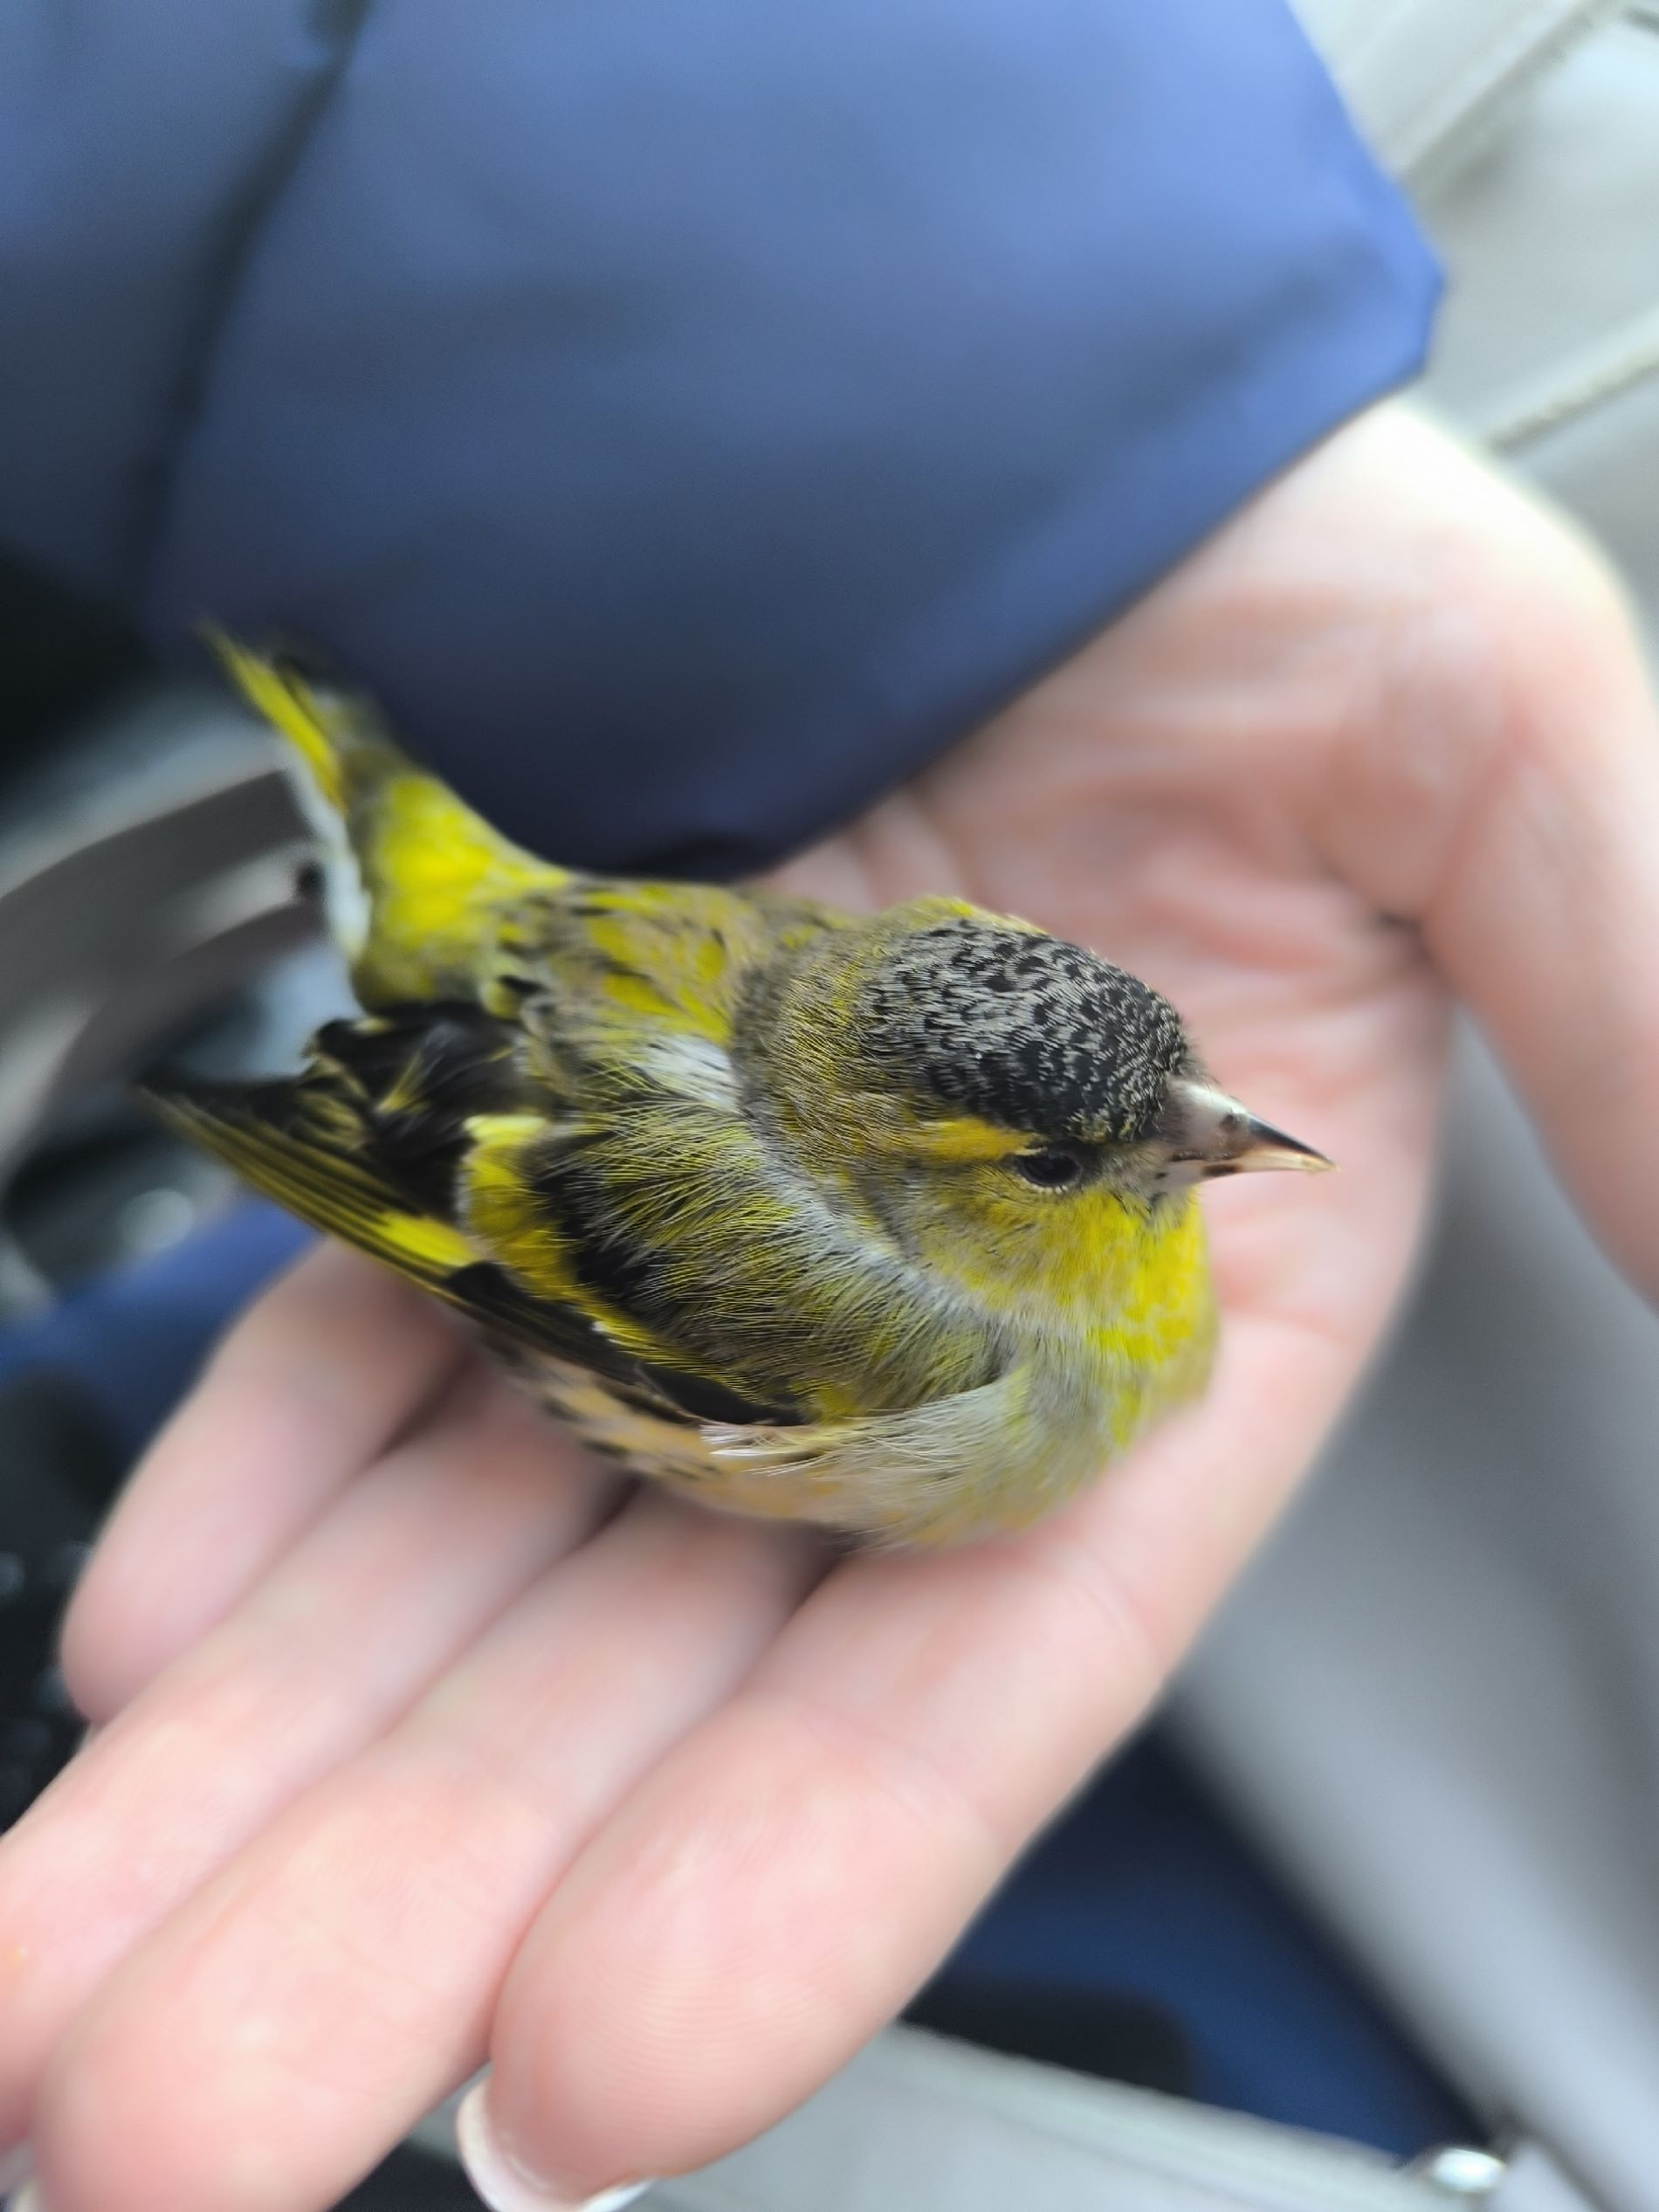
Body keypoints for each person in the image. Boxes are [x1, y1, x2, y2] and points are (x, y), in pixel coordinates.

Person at [2, 3, 1657, 2209]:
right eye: (1075, 1158)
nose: (1205, 1144)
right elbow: (471, 1206)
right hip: (464, 1058)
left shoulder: (937, 1051)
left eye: (1172, 1092)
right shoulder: (870, 1339)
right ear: (934, 1194)